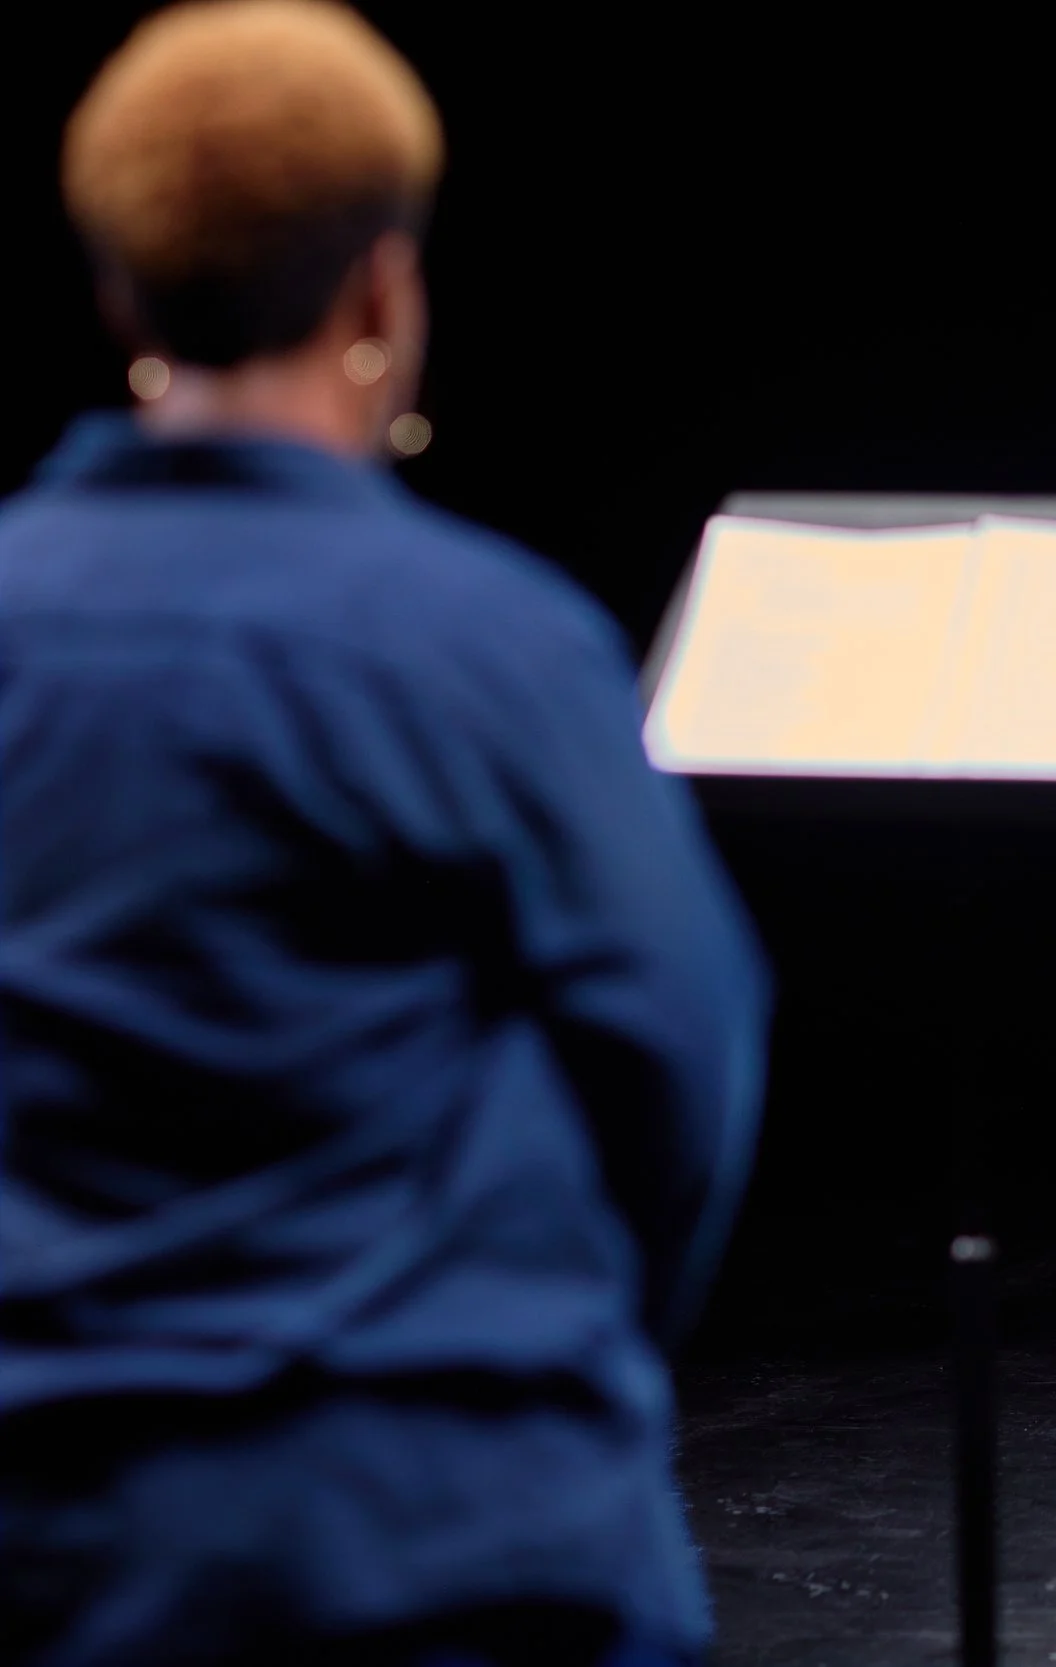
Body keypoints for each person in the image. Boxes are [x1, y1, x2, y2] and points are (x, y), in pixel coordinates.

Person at [0, 5, 769, 1663]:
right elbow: (682, 1065)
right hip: (433, 1545)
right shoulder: (482, 642)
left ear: (123, 296)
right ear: (383, 294)